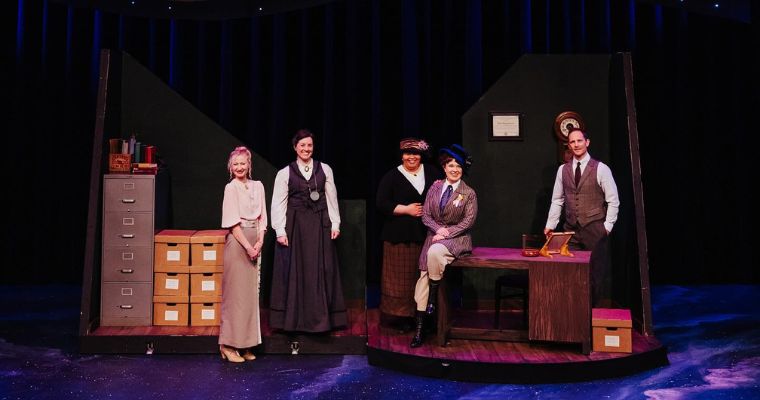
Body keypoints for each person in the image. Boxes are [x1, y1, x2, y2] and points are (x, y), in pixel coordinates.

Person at [269, 129, 347, 332]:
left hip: (320, 225)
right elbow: (278, 203)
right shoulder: (285, 173)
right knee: (295, 271)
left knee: (321, 269)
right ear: (295, 147)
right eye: (302, 145)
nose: (306, 149)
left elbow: (331, 198)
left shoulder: (325, 169)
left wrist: (335, 223)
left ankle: (323, 320)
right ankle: (293, 320)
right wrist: (280, 230)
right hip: (295, 227)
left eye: (309, 145)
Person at [410, 144, 478, 348]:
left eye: (458, 165)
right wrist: (438, 230)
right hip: (435, 235)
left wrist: (448, 232)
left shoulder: (469, 193)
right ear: (444, 167)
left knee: (435, 251)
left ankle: (433, 296)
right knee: (423, 276)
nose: (454, 169)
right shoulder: (435, 187)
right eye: (450, 165)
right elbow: (426, 215)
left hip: (457, 238)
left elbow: (469, 221)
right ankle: (420, 330)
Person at [544, 128, 620, 306]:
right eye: (572, 142)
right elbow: (557, 200)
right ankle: (573, 318)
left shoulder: (601, 169)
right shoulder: (563, 170)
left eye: (579, 141)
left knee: (595, 276)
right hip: (570, 230)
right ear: (568, 145)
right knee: (571, 275)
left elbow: (613, 201)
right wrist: (551, 224)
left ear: (587, 142)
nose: (576, 145)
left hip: (594, 228)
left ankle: (592, 318)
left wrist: (607, 227)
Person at [376, 138, 442, 326]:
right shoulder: (392, 176)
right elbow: (381, 203)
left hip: (428, 234)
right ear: (402, 156)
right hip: (400, 236)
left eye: (415, 153)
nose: (411, 157)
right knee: (402, 278)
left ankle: (426, 316)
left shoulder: (432, 173)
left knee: (424, 276)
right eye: (407, 153)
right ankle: (403, 317)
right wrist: (406, 209)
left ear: (421, 156)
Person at [219, 146, 267, 363]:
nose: (239, 167)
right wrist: (248, 246)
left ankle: (246, 344)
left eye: (242, 163)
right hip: (239, 243)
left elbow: (262, 218)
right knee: (235, 296)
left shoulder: (258, 186)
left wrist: (260, 242)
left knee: (249, 298)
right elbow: (232, 223)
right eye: (235, 164)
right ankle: (228, 345)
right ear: (231, 167)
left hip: (255, 241)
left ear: (249, 165)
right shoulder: (231, 188)